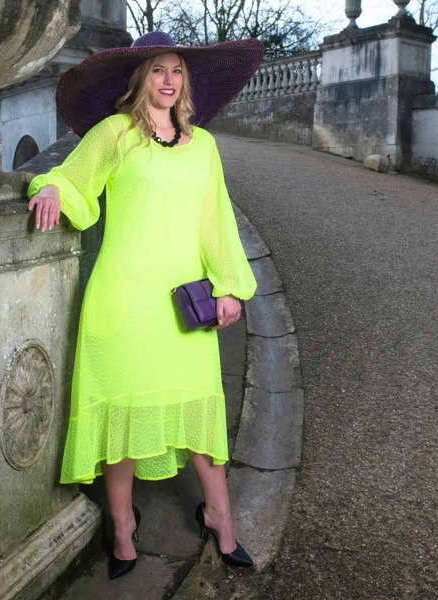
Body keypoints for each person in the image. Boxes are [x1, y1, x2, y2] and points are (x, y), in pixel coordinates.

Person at [27, 31, 264, 579]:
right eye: (157, 70)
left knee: (199, 414)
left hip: (182, 307)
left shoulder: (203, 145)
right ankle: (123, 529)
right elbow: (71, 177)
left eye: (176, 70)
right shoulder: (115, 134)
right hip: (123, 300)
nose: (168, 80)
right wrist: (51, 189)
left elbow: (217, 221)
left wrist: (229, 285)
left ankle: (220, 518)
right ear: (139, 79)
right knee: (122, 417)